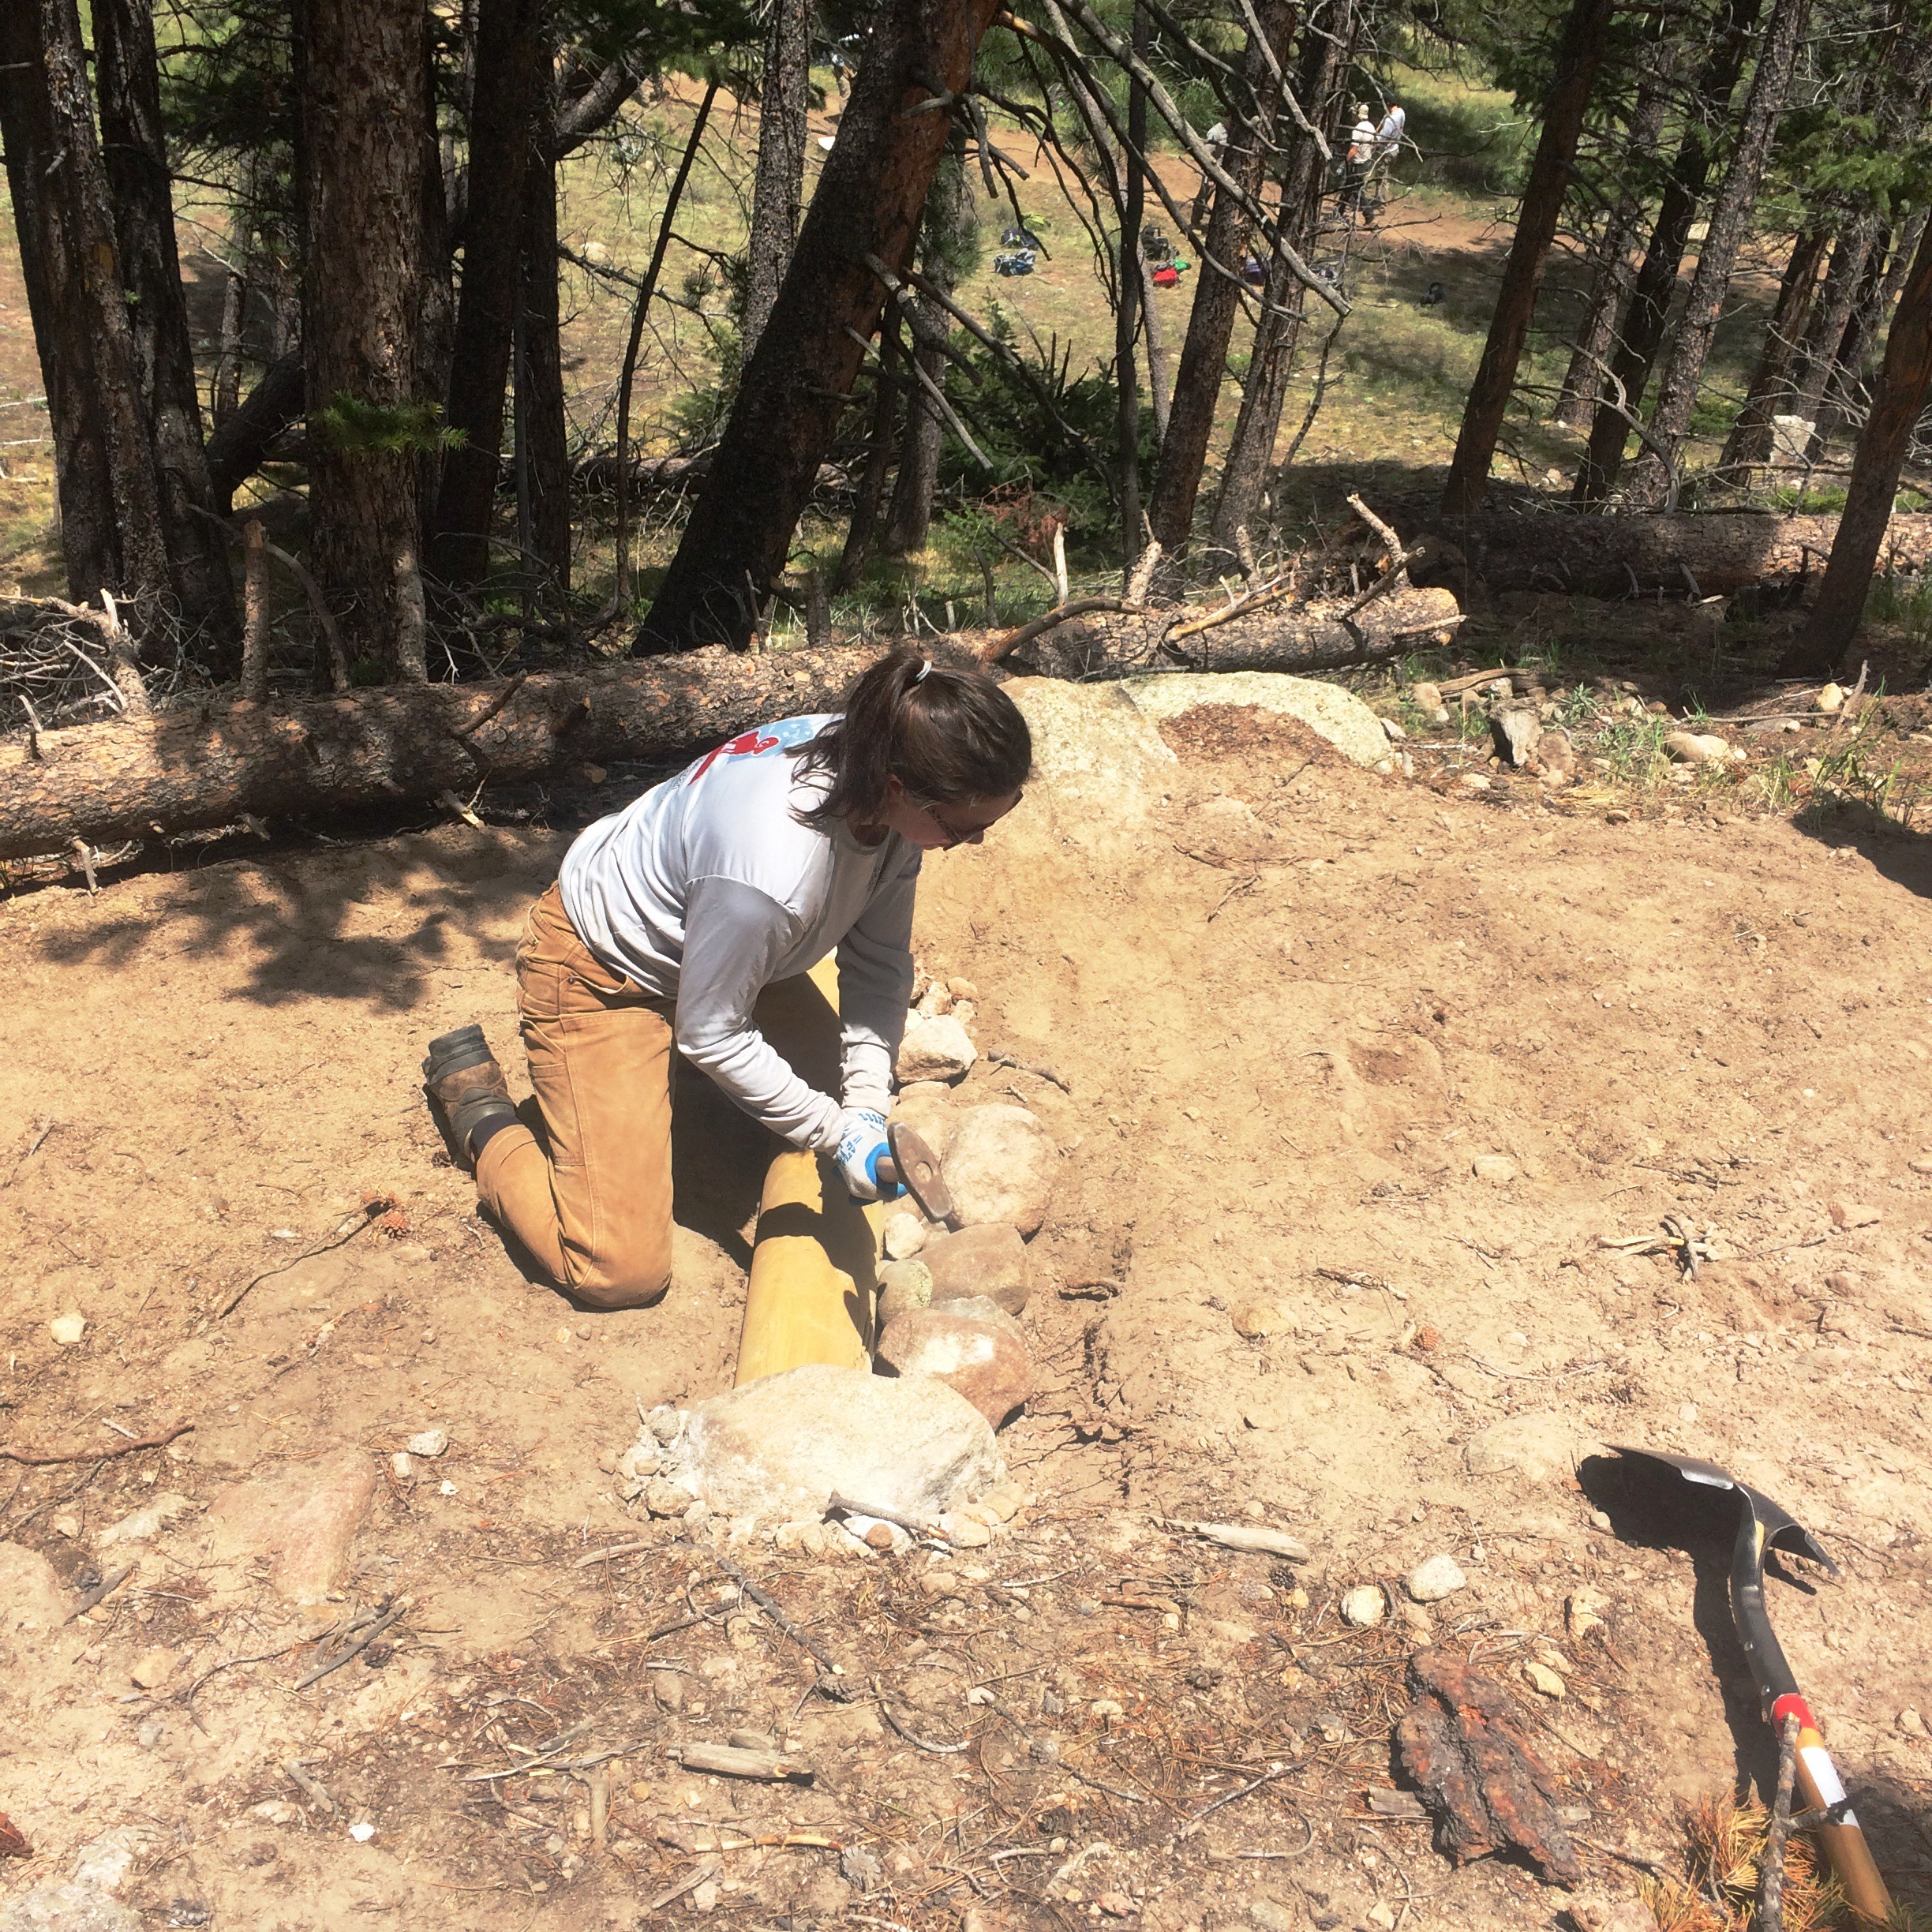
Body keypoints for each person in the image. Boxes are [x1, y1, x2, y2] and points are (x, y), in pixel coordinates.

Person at [421, 653, 1032, 1311]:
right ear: (899, 787)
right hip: (605, 973)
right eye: (964, 830)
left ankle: (665, 1094)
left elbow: (879, 963)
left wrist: (860, 1108)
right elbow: (711, 1033)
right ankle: (482, 1119)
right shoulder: (770, 867)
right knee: (617, 1268)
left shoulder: (883, 748)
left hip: (726, 956)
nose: (967, 844)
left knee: (833, 1089)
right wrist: (834, 1134)